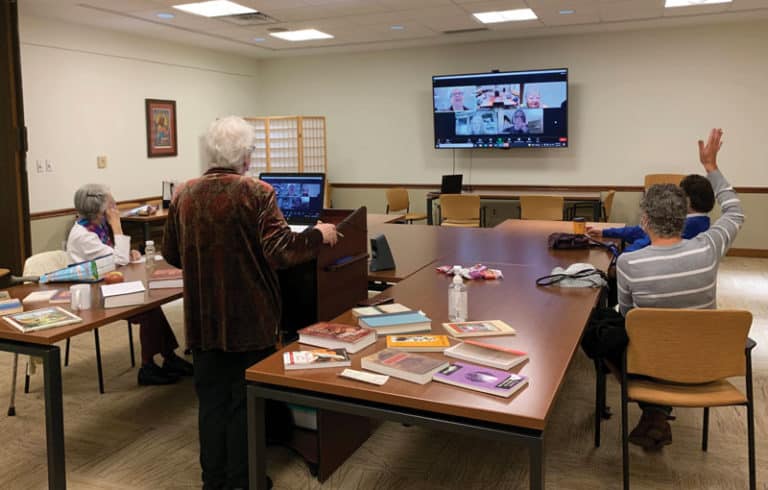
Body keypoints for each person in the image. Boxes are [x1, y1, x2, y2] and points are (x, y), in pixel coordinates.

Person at [162, 116, 338, 490]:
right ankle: (243, 481)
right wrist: (318, 234)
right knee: (243, 402)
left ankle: (214, 481)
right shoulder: (257, 192)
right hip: (250, 318)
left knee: (211, 402)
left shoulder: (184, 194)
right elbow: (282, 252)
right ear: (245, 155)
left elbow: (172, 254)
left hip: (203, 319)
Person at [616, 128, 744, 451]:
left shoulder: (629, 264)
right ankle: (656, 416)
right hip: (706, 361)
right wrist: (711, 166)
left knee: (607, 330)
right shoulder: (709, 247)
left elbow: (629, 320)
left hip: (651, 363)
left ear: (645, 221)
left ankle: (654, 413)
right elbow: (735, 211)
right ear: (685, 216)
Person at [66, 184, 193, 385]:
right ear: (99, 210)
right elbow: (119, 259)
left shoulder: (96, 227)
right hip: (92, 295)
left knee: (152, 304)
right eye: (111, 204)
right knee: (146, 308)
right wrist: (117, 226)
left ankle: (169, 358)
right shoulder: (83, 235)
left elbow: (115, 257)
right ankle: (147, 367)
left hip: (108, 283)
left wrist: (128, 252)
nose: (115, 207)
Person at [587, 174, 715, 252]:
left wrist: (615, 250)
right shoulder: (699, 222)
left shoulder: (687, 225)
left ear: (687, 200)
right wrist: (605, 232)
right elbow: (640, 231)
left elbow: (641, 247)